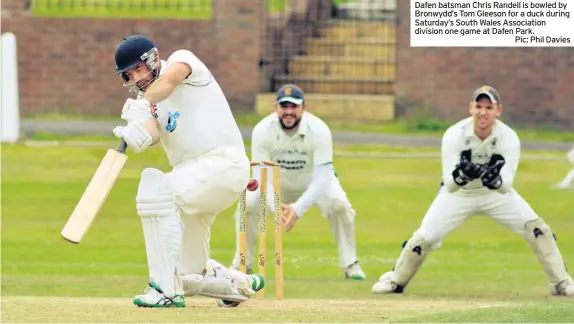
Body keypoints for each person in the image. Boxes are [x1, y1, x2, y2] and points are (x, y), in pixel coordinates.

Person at [371, 85, 574, 297]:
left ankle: (560, 281)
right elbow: (450, 183)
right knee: (425, 239)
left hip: (495, 196)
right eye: (478, 106)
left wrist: (492, 179)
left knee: (536, 229)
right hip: (459, 195)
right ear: (470, 108)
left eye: (489, 107)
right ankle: (396, 280)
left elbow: (506, 185)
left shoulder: (509, 137)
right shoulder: (454, 134)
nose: (483, 112)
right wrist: (463, 175)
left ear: (498, 110)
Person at [112, 35, 264, 308]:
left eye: (138, 68)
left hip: (223, 164)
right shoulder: (151, 102)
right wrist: (136, 134)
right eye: (129, 74)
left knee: (156, 190)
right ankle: (235, 282)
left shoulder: (183, 62)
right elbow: (154, 133)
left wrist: (143, 104)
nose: (135, 78)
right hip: (195, 182)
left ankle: (164, 291)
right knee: (188, 275)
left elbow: (168, 83)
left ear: (153, 59)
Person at [229, 84, 366, 280]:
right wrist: (278, 209)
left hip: (313, 182)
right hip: (276, 184)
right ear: (276, 108)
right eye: (284, 107)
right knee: (248, 205)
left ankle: (351, 263)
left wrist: (297, 209)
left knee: (339, 205)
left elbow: (323, 177)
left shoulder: (319, 129)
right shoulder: (262, 130)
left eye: (294, 107)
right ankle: (243, 264)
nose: (289, 112)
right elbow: (260, 177)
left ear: (303, 107)